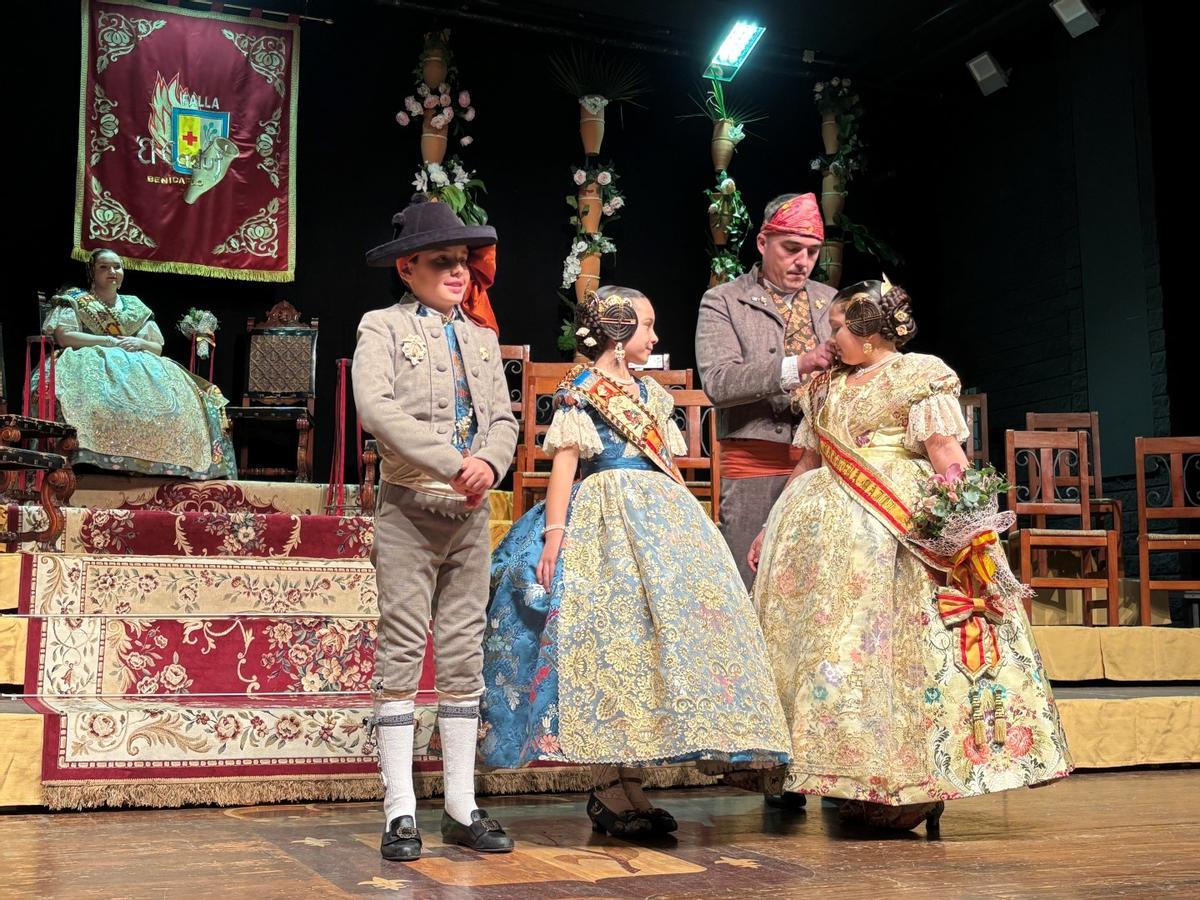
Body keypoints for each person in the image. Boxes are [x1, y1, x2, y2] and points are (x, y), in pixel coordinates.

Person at [749, 279, 1072, 830]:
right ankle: (837, 772)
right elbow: (807, 462)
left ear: (870, 334)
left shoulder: (918, 375)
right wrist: (765, 526)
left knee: (886, 651)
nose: (830, 341)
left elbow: (947, 456)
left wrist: (970, 527)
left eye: (837, 330)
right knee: (825, 650)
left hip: (892, 529)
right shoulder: (824, 385)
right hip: (817, 533)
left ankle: (910, 781)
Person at [480, 287, 790, 837]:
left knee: (649, 646)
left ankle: (634, 782)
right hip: (602, 519)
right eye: (647, 326)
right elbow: (564, 469)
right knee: (610, 642)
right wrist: (554, 537)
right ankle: (607, 784)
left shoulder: (651, 394)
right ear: (619, 335)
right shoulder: (581, 390)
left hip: (661, 523)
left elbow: (665, 461)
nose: (655, 337)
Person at [353, 194, 519, 861]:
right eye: (442, 261)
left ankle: (460, 805)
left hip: (468, 516)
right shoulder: (382, 327)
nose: (459, 272)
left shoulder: (480, 338)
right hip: (409, 509)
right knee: (400, 654)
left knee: (461, 656)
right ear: (408, 269)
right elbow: (378, 409)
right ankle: (399, 811)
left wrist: (488, 464)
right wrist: (454, 463)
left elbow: (502, 418)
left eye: (463, 261)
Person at [695, 192, 837, 591]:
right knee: (748, 586)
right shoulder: (725, 300)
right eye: (791, 249)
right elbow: (719, 382)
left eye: (812, 251)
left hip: (825, 465)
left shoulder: (831, 302)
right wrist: (800, 365)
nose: (803, 262)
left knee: (818, 590)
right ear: (762, 242)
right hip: (755, 465)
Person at [40, 249, 235, 479]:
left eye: (117, 267)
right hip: (88, 359)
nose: (112, 272)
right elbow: (65, 337)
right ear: (92, 272)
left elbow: (156, 347)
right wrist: (109, 341)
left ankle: (159, 466)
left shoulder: (135, 307)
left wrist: (139, 342)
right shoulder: (75, 301)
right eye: (104, 267)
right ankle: (91, 463)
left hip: (139, 364)